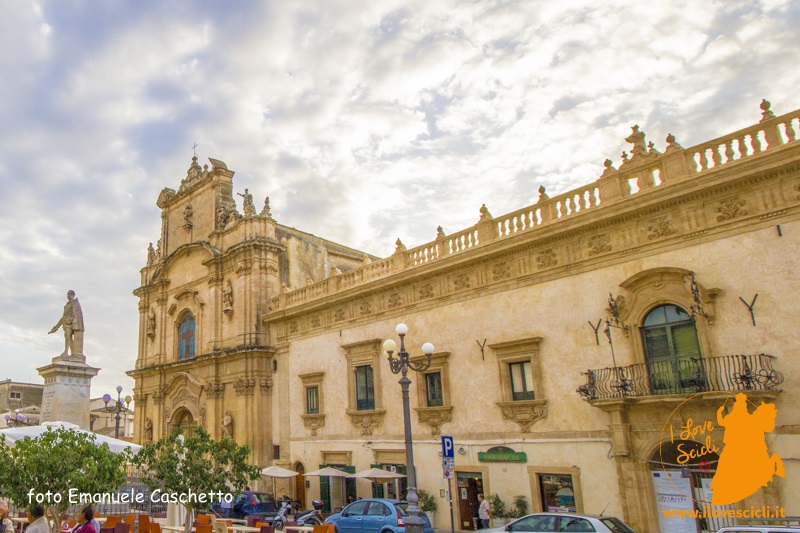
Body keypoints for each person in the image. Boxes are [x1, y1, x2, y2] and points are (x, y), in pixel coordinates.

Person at [48, 290, 84, 356]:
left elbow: (76, 314)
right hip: (66, 323)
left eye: (69, 294)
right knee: (67, 337)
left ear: (72, 295)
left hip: (70, 323)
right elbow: (63, 317)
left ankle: (66, 351)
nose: (67, 296)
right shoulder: (67, 305)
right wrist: (56, 327)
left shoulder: (75, 303)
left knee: (67, 336)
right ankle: (72, 352)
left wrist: (70, 320)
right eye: (67, 294)